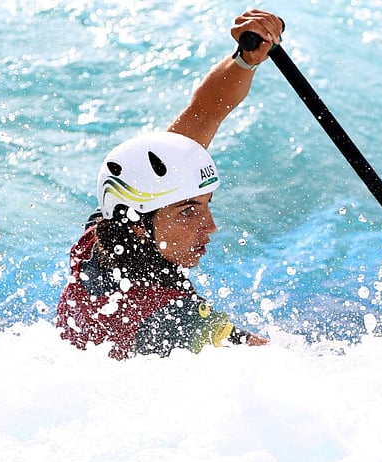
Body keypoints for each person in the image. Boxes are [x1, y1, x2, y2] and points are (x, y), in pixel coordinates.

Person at [56, 9, 284, 360]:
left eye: (206, 205)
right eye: (189, 211)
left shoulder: (101, 233)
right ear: (137, 227)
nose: (210, 226)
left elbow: (206, 110)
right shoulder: (173, 320)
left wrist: (244, 61)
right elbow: (284, 368)